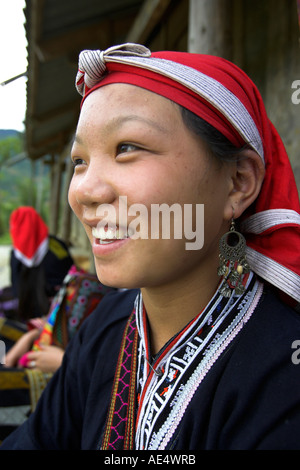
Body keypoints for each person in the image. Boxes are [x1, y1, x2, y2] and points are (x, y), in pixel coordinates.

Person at [1, 43, 300, 450]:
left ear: (237, 182)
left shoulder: (284, 369)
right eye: (80, 161)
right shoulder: (106, 325)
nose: (85, 191)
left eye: (127, 148)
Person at [0, 265, 114, 443]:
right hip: (46, 349)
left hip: (61, 368)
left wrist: (64, 363)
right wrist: (31, 336)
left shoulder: (119, 309)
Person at [8, 206, 74, 321]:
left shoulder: (15, 254)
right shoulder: (57, 246)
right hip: (59, 315)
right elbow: (70, 276)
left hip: (27, 314)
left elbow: (15, 288)